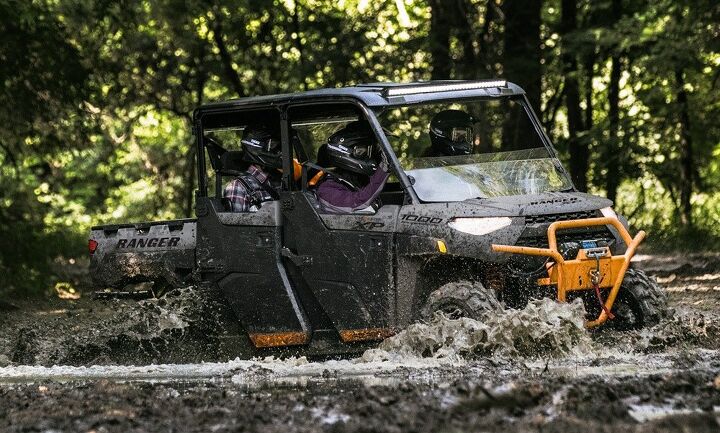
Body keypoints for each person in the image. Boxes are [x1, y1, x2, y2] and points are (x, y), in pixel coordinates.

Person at [311, 121, 390, 213]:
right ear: (355, 152)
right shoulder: (327, 190)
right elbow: (358, 203)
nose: (376, 156)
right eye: (367, 150)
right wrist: (384, 168)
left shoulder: (355, 181)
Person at [224, 125, 282, 212]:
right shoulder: (239, 187)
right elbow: (237, 224)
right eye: (274, 146)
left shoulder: (282, 181)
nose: (280, 152)